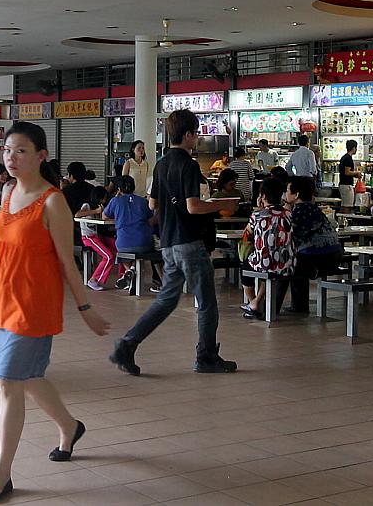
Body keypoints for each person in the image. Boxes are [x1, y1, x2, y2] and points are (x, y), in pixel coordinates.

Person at [0, 121, 110, 503]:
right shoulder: (9, 190)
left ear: (41, 156)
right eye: (8, 149)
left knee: (9, 382)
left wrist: (85, 307)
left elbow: (67, 260)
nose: (11, 157)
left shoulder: (52, 201)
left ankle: (1, 476)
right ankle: (70, 426)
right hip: (1, 298)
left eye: (21, 151)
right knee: (26, 378)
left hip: (33, 303)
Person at [110, 109, 240, 376]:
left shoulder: (161, 163)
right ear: (189, 134)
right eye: (196, 133)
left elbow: (152, 202)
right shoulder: (189, 165)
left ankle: (127, 344)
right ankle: (206, 356)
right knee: (206, 302)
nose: (197, 138)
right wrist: (221, 205)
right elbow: (193, 207)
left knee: (167, 300)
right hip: (190, 242)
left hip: (168, 242)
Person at [272, 176, 342, 315]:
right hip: (335, 256)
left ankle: (272, 308)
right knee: (296, 260)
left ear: (296, 194)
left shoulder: (299, 211)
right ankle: (299, 305)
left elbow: (285, 235)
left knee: (285, 264)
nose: (285, 194)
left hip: (319, 260)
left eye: (287, 191)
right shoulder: (314, 209)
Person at [240, 177, 293, 319]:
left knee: (246, 267)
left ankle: (253, 303)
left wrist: (259, 210)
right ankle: (255, 303)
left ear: (262, 196)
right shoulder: (289, 214)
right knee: (270, 268)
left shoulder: (257, 215)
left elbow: (246, 235)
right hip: (287, 264)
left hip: (264, 263)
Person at [107, 175, 160, 293]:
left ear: (119, 189)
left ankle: (130, 270)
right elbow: (151, 219)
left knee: (122, 251)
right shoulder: (143, 201)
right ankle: (131, 272)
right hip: (144, 243)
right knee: (144, 250)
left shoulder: (115, 201)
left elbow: (105, 215)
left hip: (123, 244)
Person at [337, 139, 360, 211]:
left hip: (343, 185)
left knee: (344, 205)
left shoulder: (344, 157)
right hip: (346, 186)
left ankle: (342, 220)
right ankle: (345, 219)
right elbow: (347, 172)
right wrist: (357, 173)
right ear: (353, 148)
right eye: (356, 148)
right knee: (347, 206)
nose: (356, 150)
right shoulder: (348, 158)